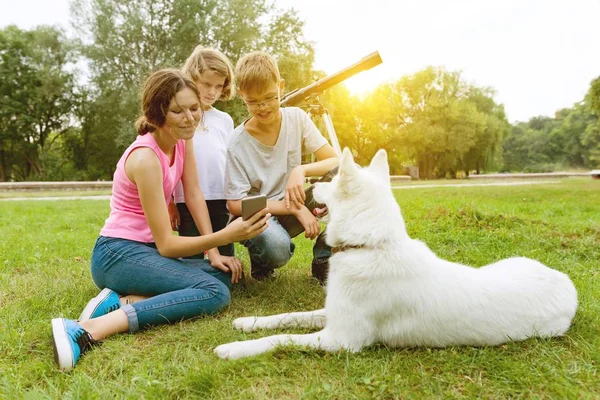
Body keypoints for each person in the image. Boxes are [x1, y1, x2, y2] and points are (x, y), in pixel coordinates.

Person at [50, 69, 270, 372]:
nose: (190, 118)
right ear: (157, 114)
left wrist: (214, 252)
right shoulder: (145, 159)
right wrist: (226, 236)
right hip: (118, 254)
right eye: (177, 111)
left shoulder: (181, 139)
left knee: (224, 275)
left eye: (194, 109)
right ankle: (87, 329)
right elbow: (167, 245)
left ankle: (123, 300)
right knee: (214, 293)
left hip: (144, 252)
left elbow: (193, 193)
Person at [224, 51, 339, 282]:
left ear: (281, 87)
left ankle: (324, 258)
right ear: (241, 95)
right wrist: (295, 208)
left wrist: (301, 170)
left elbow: (336, 161)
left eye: (269, 97)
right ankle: (262, 259)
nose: (263, 107)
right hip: (260, 213)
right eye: (253, 102)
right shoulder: (236, 144)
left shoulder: (297, 118)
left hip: (292, 199)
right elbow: (235, 205)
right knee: (277, 249)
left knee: (342, 178)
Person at [170, 46, 237, 259]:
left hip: (221, 198)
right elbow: (167, 162)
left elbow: (230, 161)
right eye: (206, 84)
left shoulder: (224, 120)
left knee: (224, 253)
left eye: (218, 86)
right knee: (192, 259)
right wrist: (169, 201)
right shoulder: (178, 118)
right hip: (185, 201)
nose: (212, 92)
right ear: (192, 78)